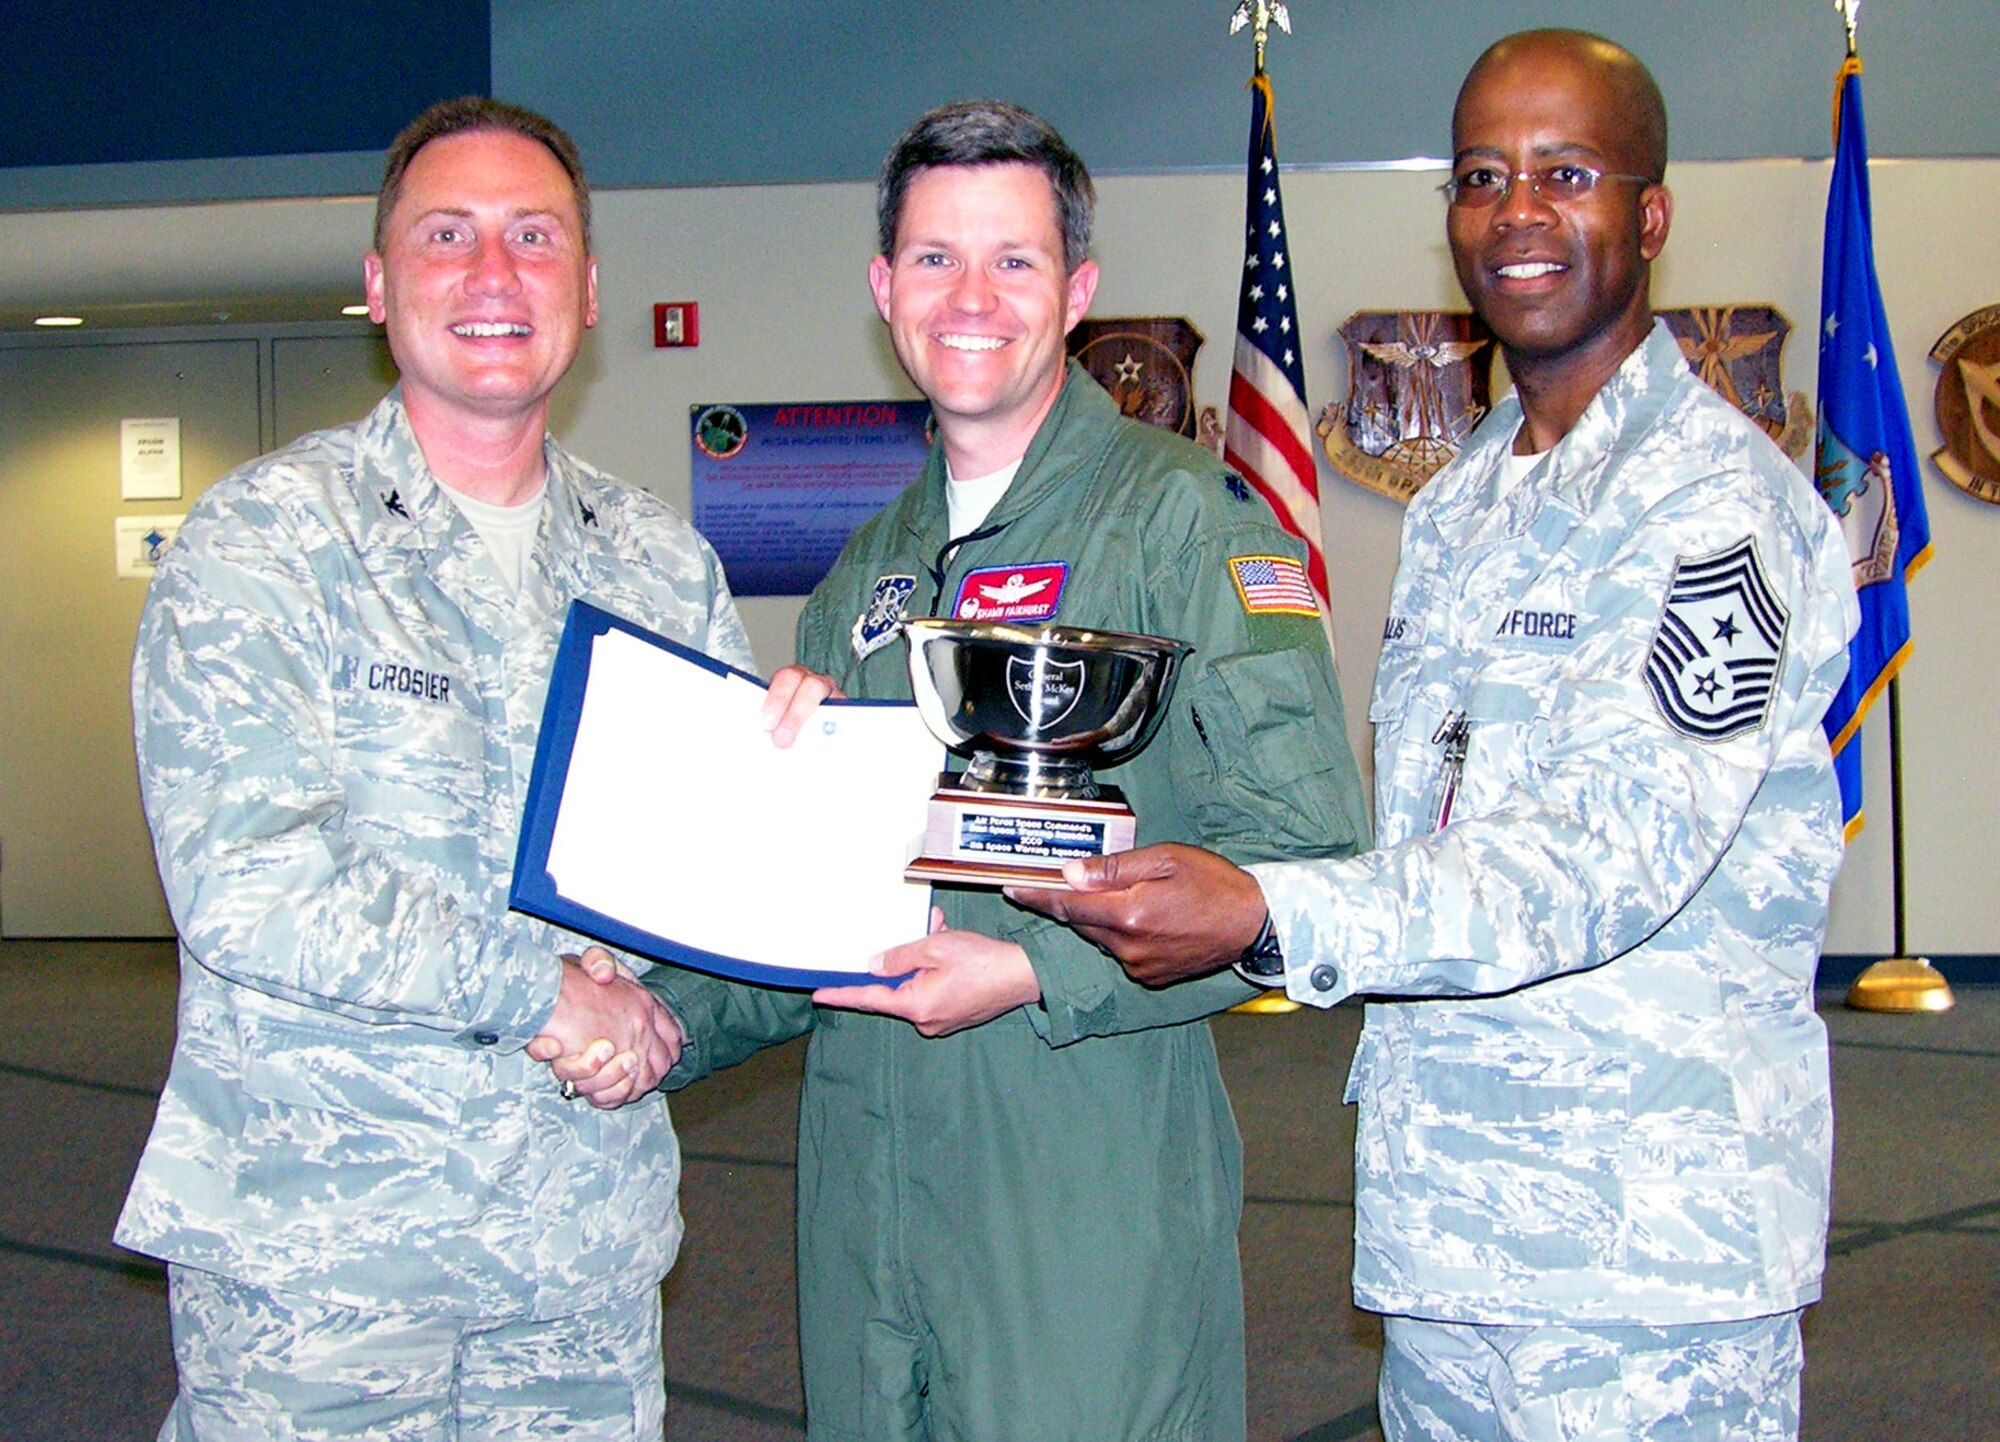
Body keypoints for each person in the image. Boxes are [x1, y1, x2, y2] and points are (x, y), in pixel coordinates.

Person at [1017, 31, 1858, 1442]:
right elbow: (1430, 835)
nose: (1518, 213)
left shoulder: (1718, 509)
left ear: (1648, 215)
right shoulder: (1465, 503)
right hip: (1456, 1240)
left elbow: (1600, 859)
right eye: (1481, 175)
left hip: (1645, 1268)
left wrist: (1267, 908)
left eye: (1566, 171)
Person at [607, 100, 1369, 1442]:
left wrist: (1034, 966)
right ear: (882, 289)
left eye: (1013, 260)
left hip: (1077, 1186)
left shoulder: (1183, 519)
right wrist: (652, 1014)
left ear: (1077, 291)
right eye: (935, 258)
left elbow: (1307, 854)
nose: (972, 297)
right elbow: (814, 917)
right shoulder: (863, 578)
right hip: (864, 1192)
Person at [119, 96, 823, 1440]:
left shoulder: (659, 561)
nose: (494, 276)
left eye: (534, 237)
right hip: (321, 1266)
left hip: (577, 1257)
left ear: (590, 288)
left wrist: (799, 793)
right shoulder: (266, 540)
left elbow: (699, 892)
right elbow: (251, 881)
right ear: (379, 287)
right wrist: (542, 993)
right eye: (448, 236)